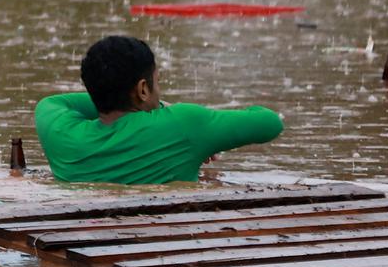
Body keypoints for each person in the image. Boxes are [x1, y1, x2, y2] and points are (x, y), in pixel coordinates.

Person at [34, 35, 283, 184]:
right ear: (143, 89)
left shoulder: (60, 133)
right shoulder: (183, 124)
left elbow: (55, 102)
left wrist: (106, 93)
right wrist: (169, 111)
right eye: (158, 81)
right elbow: (270, 123)